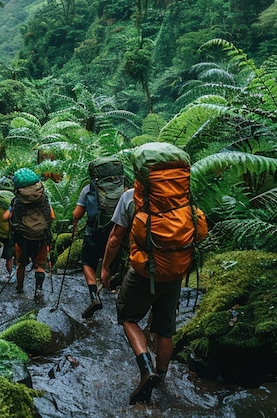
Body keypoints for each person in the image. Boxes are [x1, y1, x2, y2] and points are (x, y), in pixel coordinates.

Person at [100, 142, 207, 406]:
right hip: (175, 271)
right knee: (165, 330)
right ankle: (160, 376)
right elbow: (200, 233)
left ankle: (145, 366)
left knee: (127, 316)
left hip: (143, 270)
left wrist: (104, 268)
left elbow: (115, 239)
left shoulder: (131, 198)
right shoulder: (184, 203)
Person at [72, 157, 124, 319]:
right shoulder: (125, 189)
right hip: (119, 233)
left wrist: (74, 220)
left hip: (95, 234)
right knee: (116, 262)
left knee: (88, 263)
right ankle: (117, 294)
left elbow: (77, 214)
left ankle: (94, 296)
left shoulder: (89, 189)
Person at [3, 167, 55, 301]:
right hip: (41, 237)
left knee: (21, 264)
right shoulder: (43, 199)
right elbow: (52, 216)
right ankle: (38, 289)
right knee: (40, 265)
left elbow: (7, 217)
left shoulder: (17, 201)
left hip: (22, 238)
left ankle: (20, 288)